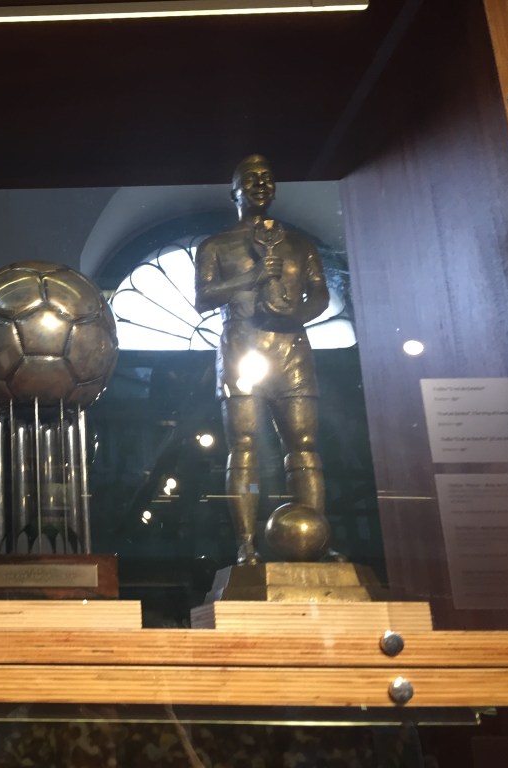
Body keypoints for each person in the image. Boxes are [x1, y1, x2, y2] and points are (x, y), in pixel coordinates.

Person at [194, 155, 330, 566]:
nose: (260, 184)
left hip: (291, 348)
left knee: (304, 446)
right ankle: (247, 546)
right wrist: (250, 279)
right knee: (244, 445)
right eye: (250, 179)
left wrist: (296, 314)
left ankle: (316, 542)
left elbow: (320, 293)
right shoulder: (215, 245)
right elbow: (204, 298)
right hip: (242, 348)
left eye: (267, 178)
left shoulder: (300, 244)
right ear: (234, 192)